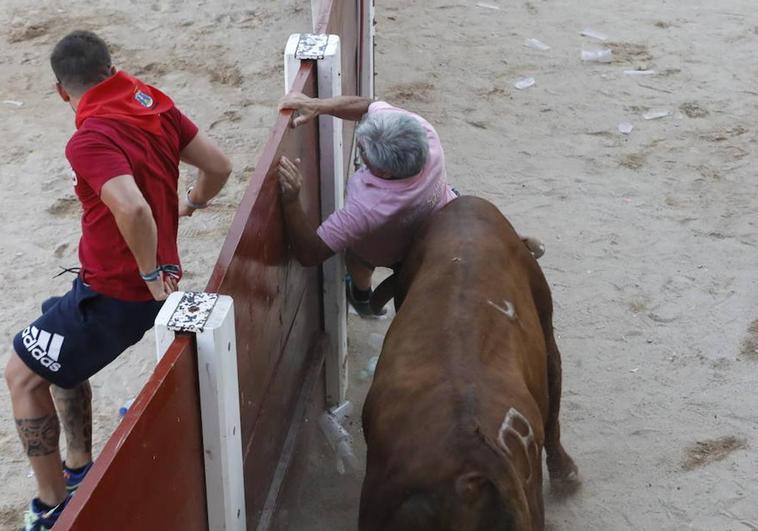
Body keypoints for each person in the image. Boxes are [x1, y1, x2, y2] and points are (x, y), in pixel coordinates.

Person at [4, 30, 232, 531]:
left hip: (118, 292)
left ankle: (50, 507)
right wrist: (192, 204)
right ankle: (78, 465)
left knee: (20, 374)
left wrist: (149, 273)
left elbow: (131, 207)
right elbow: (218, 166)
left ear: (61, 91)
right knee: (50, 324)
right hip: (140, 285)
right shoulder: (154, 103)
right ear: (111, 69)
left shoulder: (88, 138)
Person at [276, 94, 543, 317]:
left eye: (364, 155)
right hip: (442, 219)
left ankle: (360, 296)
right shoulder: (426, 133)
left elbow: (309, 254)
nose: (360, 150)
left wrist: (291, 200)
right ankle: (513, 240)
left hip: (388, 251)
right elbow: (371, 105)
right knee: (472, 213)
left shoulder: (366, 208)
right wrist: (321, 105)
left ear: (385, 174)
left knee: (357, 258)